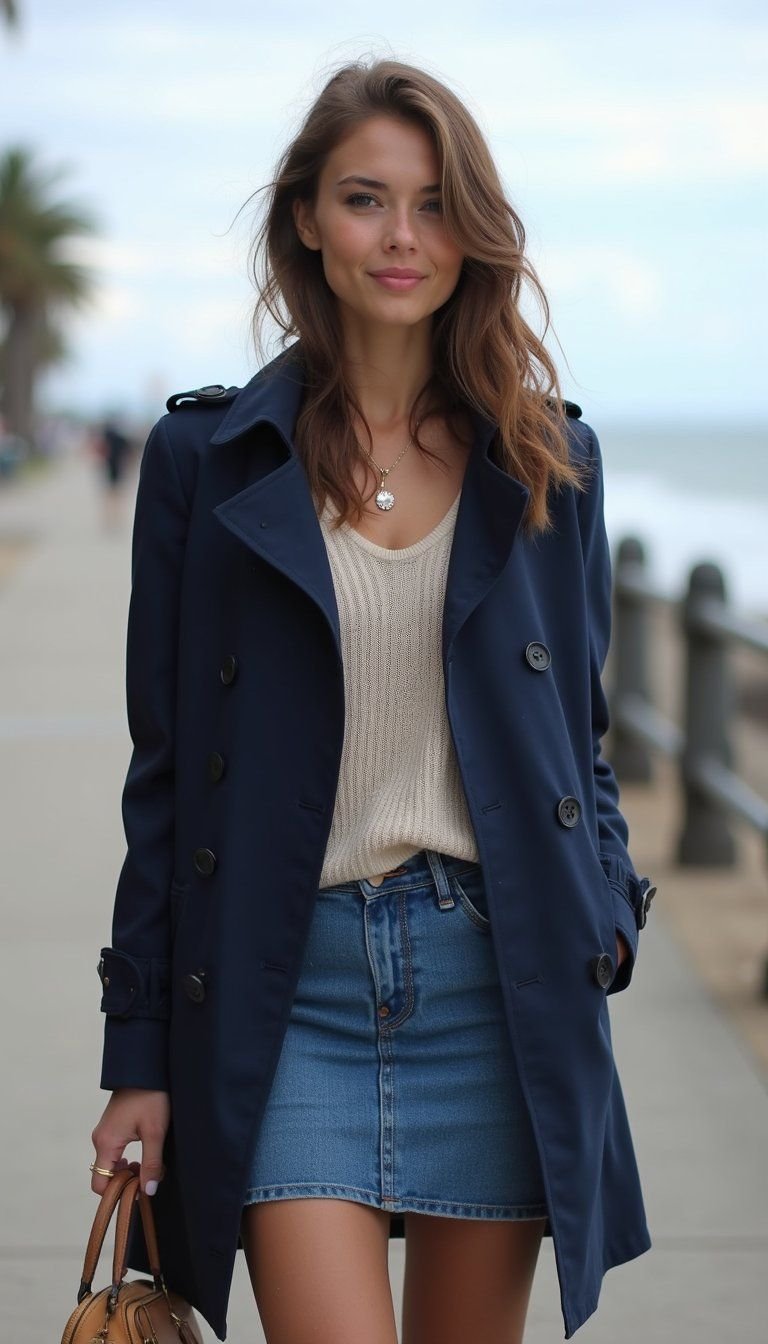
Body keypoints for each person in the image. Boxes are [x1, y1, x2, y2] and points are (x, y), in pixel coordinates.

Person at [89, 57, 656, 1344]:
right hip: (284, 985)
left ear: (474, 231)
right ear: (307, 218)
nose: (403, 235)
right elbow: (166, 782)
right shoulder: (202, 462)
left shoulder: (548, 458)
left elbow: (581, 739)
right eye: (365, 199)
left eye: (436, 203)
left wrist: (607, 914)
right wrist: (137, 1053)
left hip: (497, 981)